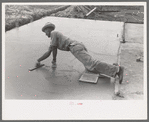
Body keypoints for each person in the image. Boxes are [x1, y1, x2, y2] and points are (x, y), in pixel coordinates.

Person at [36, 22, 124, 84]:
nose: (45, 34)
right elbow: (53, 50)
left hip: (75, 47)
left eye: (45, 32)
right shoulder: (53, 37)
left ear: (49, 29)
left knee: (91, 64)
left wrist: (38, 60)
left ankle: (117, 70)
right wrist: (54, 60)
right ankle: (114, 68)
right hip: (76, 46)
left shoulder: (53, 33)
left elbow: (49, 52)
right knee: (89, 68)